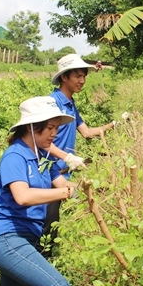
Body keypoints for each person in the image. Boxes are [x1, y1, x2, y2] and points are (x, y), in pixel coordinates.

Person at [0, 96, 76, 286]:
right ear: (31, 128)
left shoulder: (43, 158)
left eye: (57, 128)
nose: (54, 134)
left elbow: (64, 186)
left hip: (23, 241)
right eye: (49, 128)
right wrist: (64, 193)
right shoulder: (14, 156)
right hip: (6, 240)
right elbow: (22, 196)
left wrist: (87, 188)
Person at [41, 53, 116, 256]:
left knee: (53, 222)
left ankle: (49, 259)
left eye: (84, 75)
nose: (82, 80)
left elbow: (87, 132)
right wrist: (67, 157)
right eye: (77, 76)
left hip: (63, 171)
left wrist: (114, 125)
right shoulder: (52, 103)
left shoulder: (71, 104)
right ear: (64, 77)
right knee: (48, 223)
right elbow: (41, 143)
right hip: (48, 172)